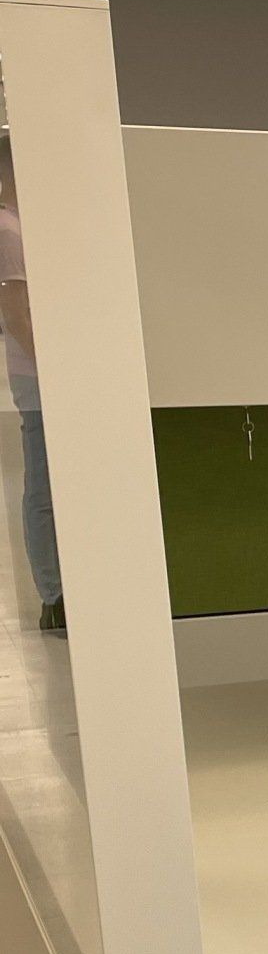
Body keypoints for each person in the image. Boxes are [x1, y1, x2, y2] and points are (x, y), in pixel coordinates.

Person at [0, 134, 61, 635]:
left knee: (52, 485)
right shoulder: (9, 230)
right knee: (42, 486)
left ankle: (61, 589)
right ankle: (54, 596)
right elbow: (17, 315)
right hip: (39, 378)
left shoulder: (26, 226)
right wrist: (57, 370)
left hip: (45, 375)